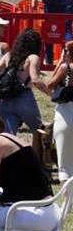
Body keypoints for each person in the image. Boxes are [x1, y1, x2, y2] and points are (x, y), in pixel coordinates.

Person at [0, 28, 45, 134]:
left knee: (8, 137)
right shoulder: (33, 57)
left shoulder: (8, 56)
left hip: (6, 100)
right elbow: (35, 80)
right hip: (24, 99)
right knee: (41, 132)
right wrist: (51, 92)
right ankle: (52, 150)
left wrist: (7, 83)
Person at [44, 41, 73, 182]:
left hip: (66, 113)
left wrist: (61, 62)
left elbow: (50, 85)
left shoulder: (65, 68)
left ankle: (68, 201)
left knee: (64, 162)